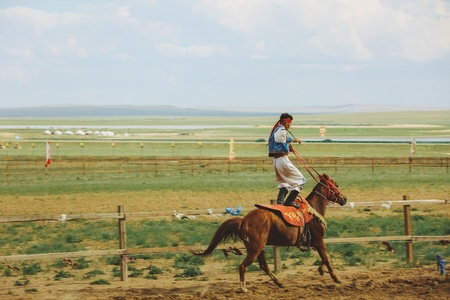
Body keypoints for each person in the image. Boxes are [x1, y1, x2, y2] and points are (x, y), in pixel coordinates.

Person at [268, 113, 306, 207]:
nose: (290, 126)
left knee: (283, 182)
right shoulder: (281, 130)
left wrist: (288, 147)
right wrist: (292, 140)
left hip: (277, 161)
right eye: (290, 123)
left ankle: (280, 202)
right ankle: (289, 202)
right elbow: (280, 139)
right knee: (300, 180)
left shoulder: (278, 129)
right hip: (282, 160)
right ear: (286, 122)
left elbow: (280, 143)